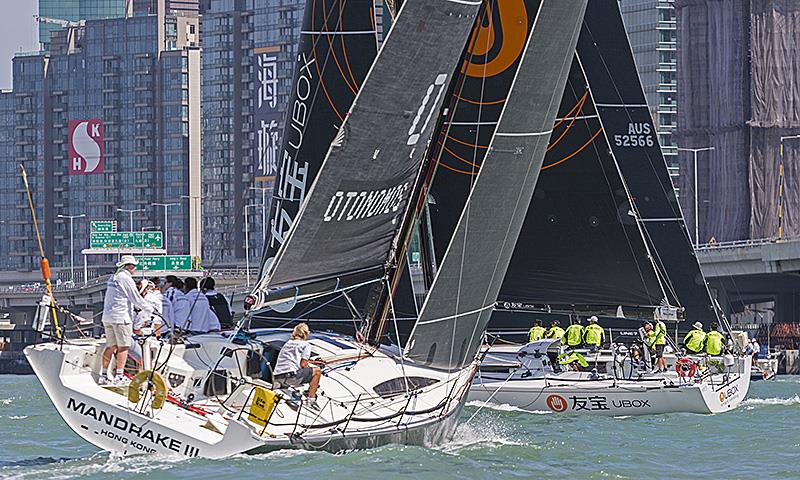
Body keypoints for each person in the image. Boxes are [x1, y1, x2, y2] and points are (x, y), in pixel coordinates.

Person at [100, 255, 150, 386]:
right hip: (121, 318)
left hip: (108, 317)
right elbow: (136, 298)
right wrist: (149, 309)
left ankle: (104, 374)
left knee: (110, 346)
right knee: (123, 347)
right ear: (130, 267)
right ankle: (119, 376)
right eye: (134, 267)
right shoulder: (126, 278)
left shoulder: (113, 277)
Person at [272, 323, 324, 409]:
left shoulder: (288, 343)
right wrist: (311, 367)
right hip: (290, 378)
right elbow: (303, 364)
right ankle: (311, 399)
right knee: (317, 371)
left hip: (277, 377)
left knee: (309, 371)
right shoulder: (306, 345)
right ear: (306, 333)